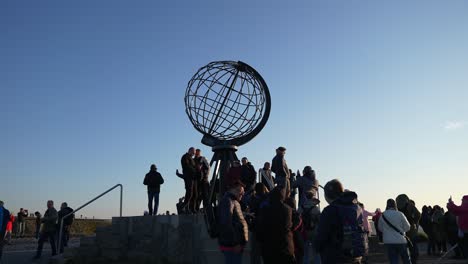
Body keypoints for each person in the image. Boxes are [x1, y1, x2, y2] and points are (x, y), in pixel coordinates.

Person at [314, 179, 368, 264]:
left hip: (335, 256)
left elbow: (322, 235)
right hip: (356, 255)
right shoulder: (357, 208)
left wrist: (316, 246)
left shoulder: (329, 210)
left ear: (327, 195)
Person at [257, 186, 295, 264]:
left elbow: (260, 227)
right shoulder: (288, 209)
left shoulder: (265, 210)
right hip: (286, 247)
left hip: (269, 248)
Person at [217, 180, 248, 264]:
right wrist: (235, 243)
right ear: (233, 190)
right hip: (232, 246)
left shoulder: (232, 201)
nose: (242, 194)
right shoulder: (228, 201)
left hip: (233, 245)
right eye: (240, 191)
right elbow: (226, 223)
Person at [378, 199, 412, 264]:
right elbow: (408, 227)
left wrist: (387, 232)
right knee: (406, 259)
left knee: (393, 260)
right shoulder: (400, 214)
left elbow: (380, 228)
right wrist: (401, 231)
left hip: (388, 241)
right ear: (395, 205)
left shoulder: (383, 215)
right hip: (401, 240)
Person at [396, 194, 421, 263]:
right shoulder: (410, 205)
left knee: (404, 249)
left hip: (401, 230)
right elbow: (418, 215)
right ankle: (413, 261)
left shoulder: (396, 207)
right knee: (413, 247)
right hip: (411, 230)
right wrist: (414, 222)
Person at [249, 183, 269, 264]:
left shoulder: (253, 199)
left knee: (255, 252)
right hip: (265, 228)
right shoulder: (267, 200)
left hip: (255, 228)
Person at [446, 195, 468, 259]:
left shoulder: (465, 207)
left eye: (463, 200)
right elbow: (455, 211)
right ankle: (464, 255)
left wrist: (450, 203)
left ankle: (465, 256)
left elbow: (456, 209)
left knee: (464, 244)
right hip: (463, 229)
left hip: (465, 229)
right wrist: (450, 205)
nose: (462, 201)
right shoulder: (463, 208)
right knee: (463, 244)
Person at [181, 147, 197, 213]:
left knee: (194, 194)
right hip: (188, 177)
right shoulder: (185, 157)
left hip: (193, 177)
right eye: (193, 152)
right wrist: (194, 170)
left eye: (194, 153)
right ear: (190, 151)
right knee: (189, 192)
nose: (194, 154)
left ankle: (191, 208)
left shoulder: (191, 159)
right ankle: (184, 206)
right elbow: (186, 166)